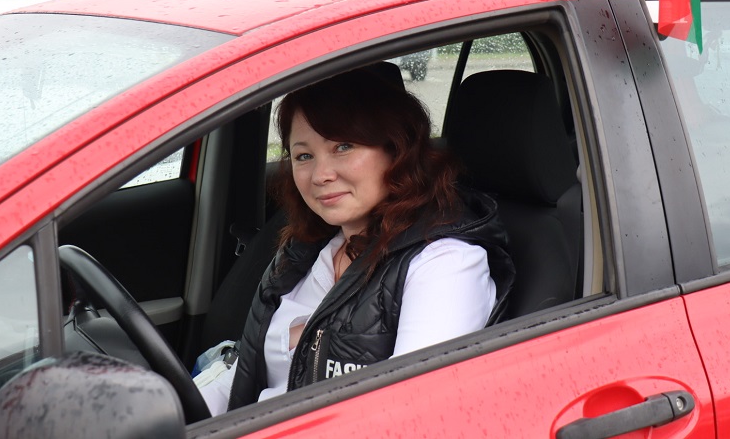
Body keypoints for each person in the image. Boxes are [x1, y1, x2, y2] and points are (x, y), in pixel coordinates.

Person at [212, 65, 514, 413]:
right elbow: (242, 375)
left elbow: (409, 413)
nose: (320, 175)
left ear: (396, 149)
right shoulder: (305, 251)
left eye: (343, 146)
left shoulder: (445, 265)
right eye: (304, 156)